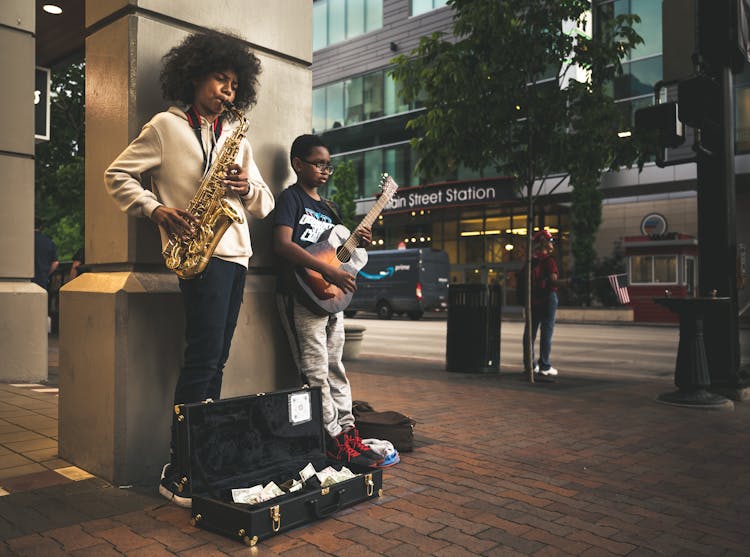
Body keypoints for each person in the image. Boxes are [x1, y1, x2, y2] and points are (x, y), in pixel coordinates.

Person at [104, 31, 274, 507]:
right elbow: (115, 174)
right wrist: (154, 209)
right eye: (221, 79)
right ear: (195, 75)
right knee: (201, 361)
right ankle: (179, 468)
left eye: (235, 84)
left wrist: (245, 187)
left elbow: (266, 202)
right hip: (199, 255)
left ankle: (204, 456)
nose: (229, 90)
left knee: (215, 360)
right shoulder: (165, 126)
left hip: (236, 254)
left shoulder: (238, 135)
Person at [273, 134, 383, 468]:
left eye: (328, 166)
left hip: (332, 299)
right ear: (298, 164)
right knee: (316, 372)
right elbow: (281, 245)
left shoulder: (328, 208)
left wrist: (362, 239)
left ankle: (349, 433)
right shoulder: (291, 199)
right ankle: (331, 439)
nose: (325, 170)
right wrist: (326, 271)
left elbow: (342, 253)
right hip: (301, 296)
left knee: (336, 368)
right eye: (318, 163)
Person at [522, 229, 566, 378]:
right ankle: (545, 366)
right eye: (551, 240)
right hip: (548, 298)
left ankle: (530, 365)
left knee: (530, 334)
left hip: (533, 299)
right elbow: (553, 281)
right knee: (546, 332)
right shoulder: (549, 260)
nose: (553, 243)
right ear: (544, 242)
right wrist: (568, 282)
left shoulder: (531, 261)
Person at [33, 220, 59, 290]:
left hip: (26, 280)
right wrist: (46, 274)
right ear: (41, 227)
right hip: (42, 279)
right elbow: (55, 263)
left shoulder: (25, 240)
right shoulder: (48, 241)